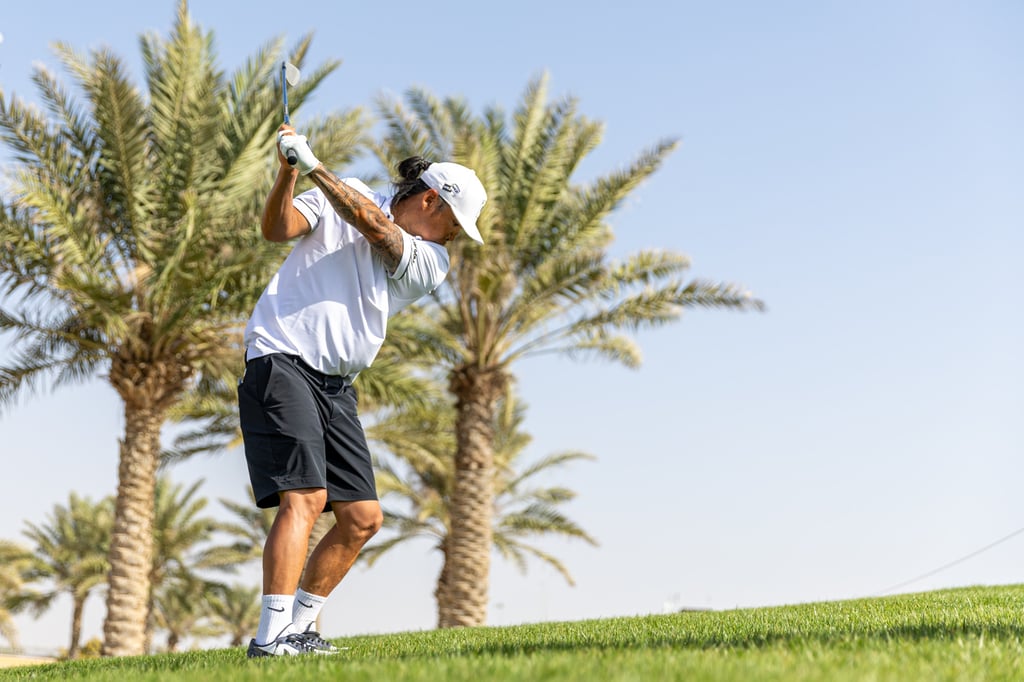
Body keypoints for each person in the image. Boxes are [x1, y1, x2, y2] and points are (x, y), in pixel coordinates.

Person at [238, 124, 486, 657]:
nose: (454, 238)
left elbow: (375, 228)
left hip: (336, 385)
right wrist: (287, 175)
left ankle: (296, 632)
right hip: (281, 356)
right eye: (454, 225)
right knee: (305, 497)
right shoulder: (342, 193)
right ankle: (270, 639)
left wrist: (313, 164)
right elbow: (278, 228)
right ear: (429, 200)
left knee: (362, 518)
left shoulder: (428, 260)